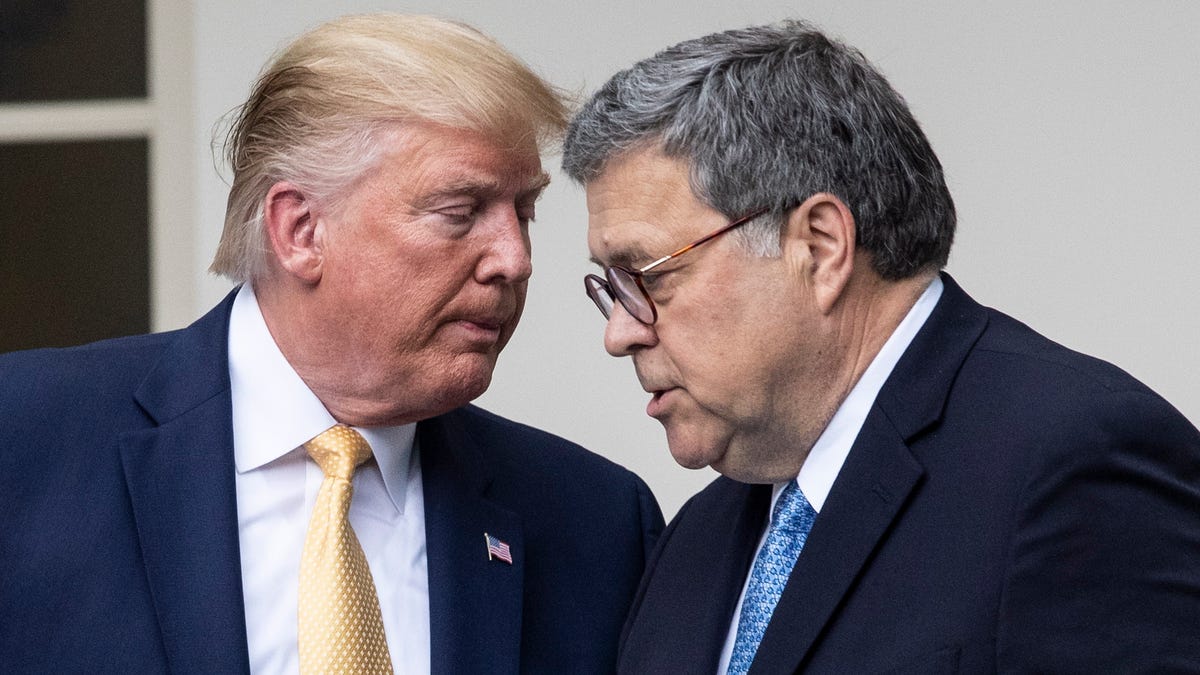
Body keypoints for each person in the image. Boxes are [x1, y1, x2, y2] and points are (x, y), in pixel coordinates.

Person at [0, 14, 661, 674]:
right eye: (461, 212)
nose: (514, 259)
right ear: (302, 230)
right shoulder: (26, 440)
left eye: (524, 212)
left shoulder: (595, 522)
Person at [562, 20, 1200, 673]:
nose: (619, 332)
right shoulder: (690, 544)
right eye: (612, 287)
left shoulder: (1074, 462)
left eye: (651, 276)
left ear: (819, 247)